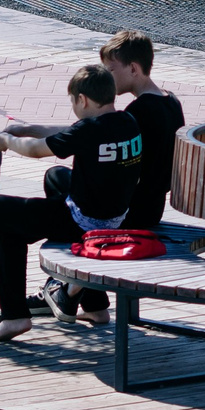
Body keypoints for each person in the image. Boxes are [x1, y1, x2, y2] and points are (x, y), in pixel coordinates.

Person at [0, 63, 143, 343]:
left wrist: (7, 141)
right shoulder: (126, 122)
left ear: (82, 99)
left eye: (73, 102)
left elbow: (35, 150)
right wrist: (27, 129)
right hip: (115, 217)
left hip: (83, 223)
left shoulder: (89, 131)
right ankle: (95, 307)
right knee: (56, 176)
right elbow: (71, 131)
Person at [23, 29, 184, 323]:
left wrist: (33, 134)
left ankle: (66, 288)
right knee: (59, 178)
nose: (107, 78)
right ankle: (87, 299)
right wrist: (37, 130)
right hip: (153, 204)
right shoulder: (170, 102)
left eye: (111, 70)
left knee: (68, 193)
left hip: (132, 211)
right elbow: (93, 133)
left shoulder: (138, 113)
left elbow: (93, 134)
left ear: (133, 69)